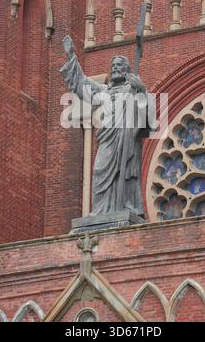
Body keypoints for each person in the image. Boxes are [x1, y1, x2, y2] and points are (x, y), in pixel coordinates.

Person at [60, 35, 150, 217]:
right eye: (113, 66)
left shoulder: (132, 88)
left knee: (124, 174)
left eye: (119, 65)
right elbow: (82, 83)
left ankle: (125, 207)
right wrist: (71, 57)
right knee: (100, 170)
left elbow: (147, 117)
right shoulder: (104, 91)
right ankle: (101, 211)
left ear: (127, 70)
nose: (115, 68)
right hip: (107, 138)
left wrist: (141, 90)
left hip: (126, 139)